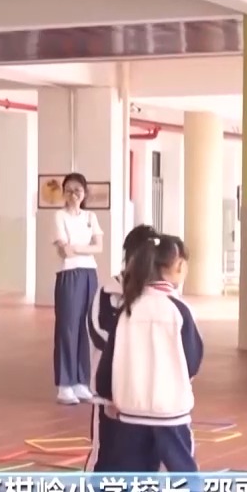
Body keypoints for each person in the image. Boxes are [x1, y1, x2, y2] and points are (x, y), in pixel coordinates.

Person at [96, 234, 202, 471]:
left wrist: (108, 394)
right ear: (179, 266)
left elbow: (109, 360)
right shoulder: (179, 309)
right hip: (170, 411)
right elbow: (192, 361)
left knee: (130, 475)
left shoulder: (128, 309)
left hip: (131, 410)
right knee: (184, 474)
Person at [86, 224, 159, 471]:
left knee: (145, 453)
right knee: (106, 452)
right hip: (110, 393)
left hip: (147, 392)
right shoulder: (107, 293)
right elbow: (98, 331)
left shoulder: (160, 297)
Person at [52, 172, 104, 405]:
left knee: (85, 327)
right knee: (68, 327)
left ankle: (81, 381)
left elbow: (99, 247)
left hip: (89, 273)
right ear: (64, 193)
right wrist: (84, 247)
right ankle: (65, 384)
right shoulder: (59, 216)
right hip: (69, 274)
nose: (73, 195)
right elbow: (65, 252)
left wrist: (77, 247)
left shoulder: (91, 216)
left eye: (78, 190)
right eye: (69, 190)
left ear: (84, 193)